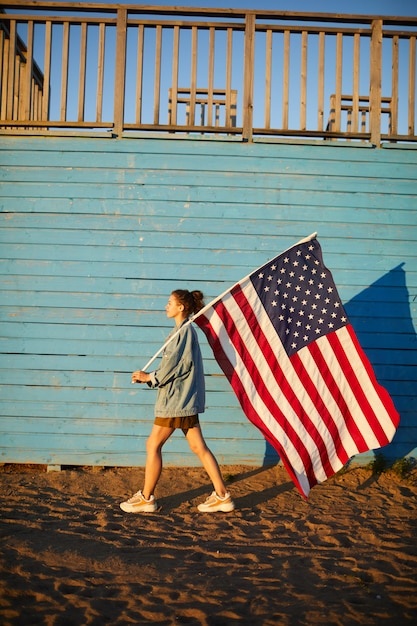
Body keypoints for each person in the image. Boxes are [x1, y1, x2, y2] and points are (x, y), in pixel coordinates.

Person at [120, 289, 235, 514]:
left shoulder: (183, 333)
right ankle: (222, 496)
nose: (166, 306)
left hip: (176, 402)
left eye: (170, 302)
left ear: (181, 307)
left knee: (153, 444)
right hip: (182, 401)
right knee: (198, 447)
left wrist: (149, 377)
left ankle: (146, 498)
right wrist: (152, 377)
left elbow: (173, 367)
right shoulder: (182, 332)